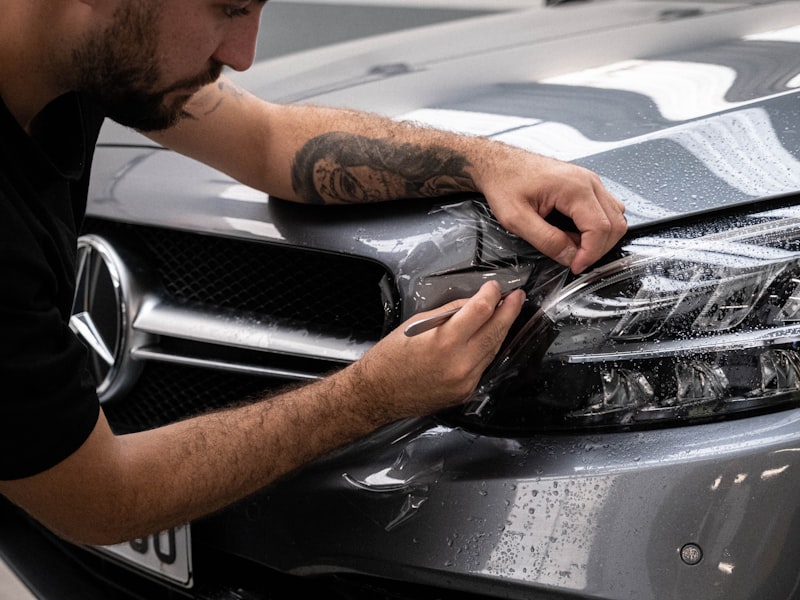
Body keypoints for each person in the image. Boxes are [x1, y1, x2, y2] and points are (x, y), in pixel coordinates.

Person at [0, 0, 626, 546]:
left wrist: (488, 164)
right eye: (229, 7)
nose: (242, 55)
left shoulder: (86, 55)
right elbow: (99, 497)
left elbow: (267, 139)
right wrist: (375, 394)